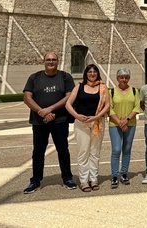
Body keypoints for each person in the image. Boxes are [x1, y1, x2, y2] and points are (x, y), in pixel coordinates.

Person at [22, 52, 77, 194]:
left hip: (60, 120)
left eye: (53, 60)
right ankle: (35, 180)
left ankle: (67, 178)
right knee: (38, 151)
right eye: (48, 60)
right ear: (44, 61)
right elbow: (27, 98)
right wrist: (41, 111)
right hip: (39, 121)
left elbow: (69, 96)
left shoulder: (65, 77)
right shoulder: (34, 77)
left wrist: (50, 109)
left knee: (63, 149)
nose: (51, 62)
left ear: (58, 62)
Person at [65, 64, 110, 192]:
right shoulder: (79, 87)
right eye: (89, 72)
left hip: (97, 123)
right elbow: (68, 104)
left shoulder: (102, 87)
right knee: (83, 152)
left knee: (95, 152)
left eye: (94, 72)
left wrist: (97, 117)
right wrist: (77, 116)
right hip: (82, 123)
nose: (92, 74)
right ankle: (84, 180)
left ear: (97, 73)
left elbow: (107, 105)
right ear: (85, 74)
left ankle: (93, 179)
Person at [107, 68, 140, 188]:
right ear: (117, 78)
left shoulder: (135, 91)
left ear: (129, 78)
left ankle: (124, 173)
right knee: (116, 150)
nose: (124, 79)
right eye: (121, 77)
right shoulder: (111, 92)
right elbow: (109, 109)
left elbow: (137, 107)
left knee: (127, 149)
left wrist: (125, 121)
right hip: (114, 125)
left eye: (126, 77)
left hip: (130, 124)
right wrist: (119, 122)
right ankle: (115, 175)